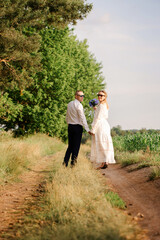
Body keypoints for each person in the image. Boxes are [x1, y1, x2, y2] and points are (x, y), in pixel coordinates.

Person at [63, 90, 91, 167]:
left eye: (83, 96)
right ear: (76, 96)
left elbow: (67, 116)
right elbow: (82, 118)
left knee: (70, 146)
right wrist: (87, 129)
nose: (82, 97)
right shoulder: (79, 105)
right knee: (76, 147)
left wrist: (68, 124)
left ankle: (65, 163)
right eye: (80, 96)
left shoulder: (69, 104)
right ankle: (73, 164)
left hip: (70, 127)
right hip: (77, 127)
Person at [90, 90, 115, 169]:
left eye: (102, 95)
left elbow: (98, 118)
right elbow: (100, 114)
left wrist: (93, 129)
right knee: (104, 142)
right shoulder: (103, 105)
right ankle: (105, 161)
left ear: (105, 97)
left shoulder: (101, 106)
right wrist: (95, 109)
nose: (100, 96)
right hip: (105, 125)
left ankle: (104, 161)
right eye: (99, 95)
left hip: (101, 125)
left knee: (101, 142)